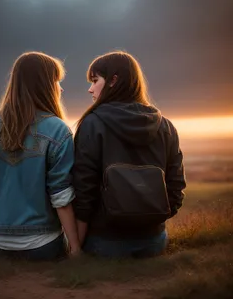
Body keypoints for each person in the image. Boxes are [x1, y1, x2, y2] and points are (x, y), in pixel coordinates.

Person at [72, 51, 186, 258]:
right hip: (154, 241)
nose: (90, 89)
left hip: (105, 241)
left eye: (95, 80)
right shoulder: (165, 126)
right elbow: (176, 184)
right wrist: (152, 221)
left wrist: (75, 248)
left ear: (113, 80)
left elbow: (83, 188)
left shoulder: (92, 124)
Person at [0, 52, 80, 260]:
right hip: (42, 246)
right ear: (44, 85)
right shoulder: (58, 130)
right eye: (56, 81)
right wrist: (75, 249)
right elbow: (61, 198)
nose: (61, 88)